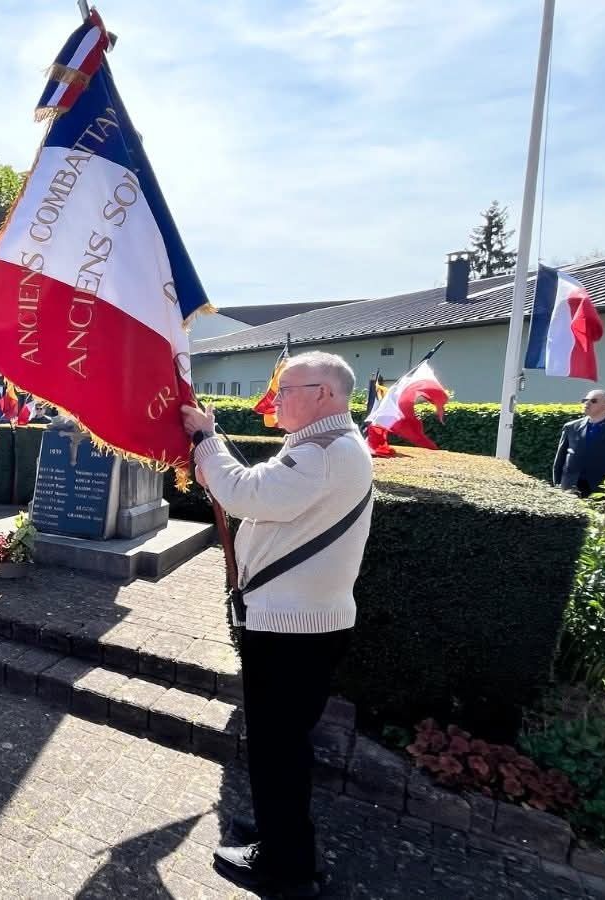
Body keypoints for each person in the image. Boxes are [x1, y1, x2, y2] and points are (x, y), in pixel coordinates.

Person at [180, 351, 374, 898]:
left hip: (293, 631)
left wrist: (205, 439)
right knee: (281, 745)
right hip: (300, 625)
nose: (276, 399)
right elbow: (258, 493)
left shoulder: (324, 453)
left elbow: (246, 493)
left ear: (325, 395)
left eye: (287, 389)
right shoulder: (326, 446)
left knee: (277, 750)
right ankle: (279, 835)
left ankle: (286, 868)